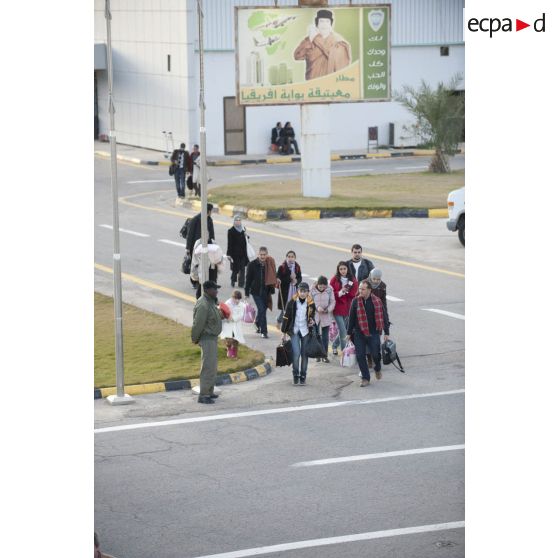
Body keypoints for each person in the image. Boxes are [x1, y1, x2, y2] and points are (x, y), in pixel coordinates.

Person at [347, 279, 389, 387]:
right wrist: (348, 333)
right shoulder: (355, 301)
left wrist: (386, 332)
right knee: (360, 356)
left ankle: (377, 368)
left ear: (369, 290)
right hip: (359, 334)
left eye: (363, 289)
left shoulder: (377, 301)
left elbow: (384, 317)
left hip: (374, 333)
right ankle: (365, 378)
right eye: (359, 288)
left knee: (375, 354)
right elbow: (351, 318)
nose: (360, 291)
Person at [293, 9, 351, 81]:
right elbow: (297, 56)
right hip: (311, 85)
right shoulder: (310, 39)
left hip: (330, 85)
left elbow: (337, 61)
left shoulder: (338, 42)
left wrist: (316, 38)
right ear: (317, 23)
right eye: (321, 21)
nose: (324, 24)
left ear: (331, 24)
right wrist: (310, 39)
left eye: (327, 21)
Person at [191, 280, 223, 404]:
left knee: (212, 367)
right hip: (207, 338)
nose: (216, 291)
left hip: (212, 338)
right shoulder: (203, 304)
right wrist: (195, 338)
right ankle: (203, 395)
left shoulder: (210, 302)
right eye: (214, 289)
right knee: (207, 367)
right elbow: (198, 324)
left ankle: (209, 391)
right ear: (208, 290)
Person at [280, 282, 316, 385]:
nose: (303, 293)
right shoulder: (291, 302)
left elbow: (312, 316)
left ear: (308, 292)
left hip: (305, 331)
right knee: (296, 354)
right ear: (298, 291)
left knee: (305, 354)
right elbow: (286, 318)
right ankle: (295, 374)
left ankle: (303, 375)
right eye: (301, 291)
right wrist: (284, 332)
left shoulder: (311, 303)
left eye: (305, 291)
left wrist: (312, 321)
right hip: (294, 330)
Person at [245, 246, 276, 339]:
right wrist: (246, 293)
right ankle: (264, 331)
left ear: (267, 255)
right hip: (256, 292)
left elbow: (274, 273)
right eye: (261, 254)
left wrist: (277, 279)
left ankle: (257, 323)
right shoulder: (252, 264)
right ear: (258, 254)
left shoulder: (269, 263)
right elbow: (248, 280)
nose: (262, 256)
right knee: (262, 310)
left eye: (264, 255)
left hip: (266, 291)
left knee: (263, 309)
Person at [330, 261, 358, 356]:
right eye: (341, 269)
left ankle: (334, 345)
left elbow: (354, 294)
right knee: (343, 331)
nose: (343, 271)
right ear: (338, 270)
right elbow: (330, 293)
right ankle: (344, 353)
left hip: (348, 308)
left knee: (344, 330)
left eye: (344, 269)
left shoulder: (352, 280)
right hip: (337, 307)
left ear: (347, 269)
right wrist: (340, 292)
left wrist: (347, 292)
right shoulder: (334, 279)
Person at [310, 276, 336, 363]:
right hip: (315, 316)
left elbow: (333, 301)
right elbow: (309, 302)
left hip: (326, 315)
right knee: (316, 335)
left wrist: (328, 309)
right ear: (317, 284)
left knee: (325, 337)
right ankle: (317, 354)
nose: (322, 288)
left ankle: (324, 355)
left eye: (324, 287)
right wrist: (317, 308)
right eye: (320, 286)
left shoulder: (329, 290)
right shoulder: (312, 290)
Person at [276, 250, 302, 328]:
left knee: (292, 307)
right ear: (286, 257)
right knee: (286, 307)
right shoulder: (282, 267)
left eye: (292, 257)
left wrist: (296, 281)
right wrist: (289, 278)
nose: (290, 258)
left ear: (295, 258)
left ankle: (285, 322)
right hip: (285, 291)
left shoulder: (297, 267)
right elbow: (279, 278)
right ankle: (281, 321)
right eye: (289, 257)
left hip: (294, 289)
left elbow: (300, 277)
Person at [220, 290, 245, 359]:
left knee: (236, 340)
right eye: (236, 299)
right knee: (229, 340)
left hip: (236, 324)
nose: (237, 301)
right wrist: (227, 318)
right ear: (233, 298)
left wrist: (233, 318)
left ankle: (235, 354)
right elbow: (223, 312)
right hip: (228, 325)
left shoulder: (241, 305)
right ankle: (229, 350)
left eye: (239, 299)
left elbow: (241, 314)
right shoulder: (227, 303)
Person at [227, 215, 249, 288]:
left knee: (242, 269)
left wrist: (246, 236)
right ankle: (233, 280)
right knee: (235, 269)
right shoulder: (231, 231)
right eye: (236, 220)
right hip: (234, 254)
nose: (238, 222)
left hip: (243, 253)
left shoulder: (243, 230)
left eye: (239, 220)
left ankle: (241, 283)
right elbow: (229, 244)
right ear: (234, 221)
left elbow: (246, 241)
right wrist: (229, 254)